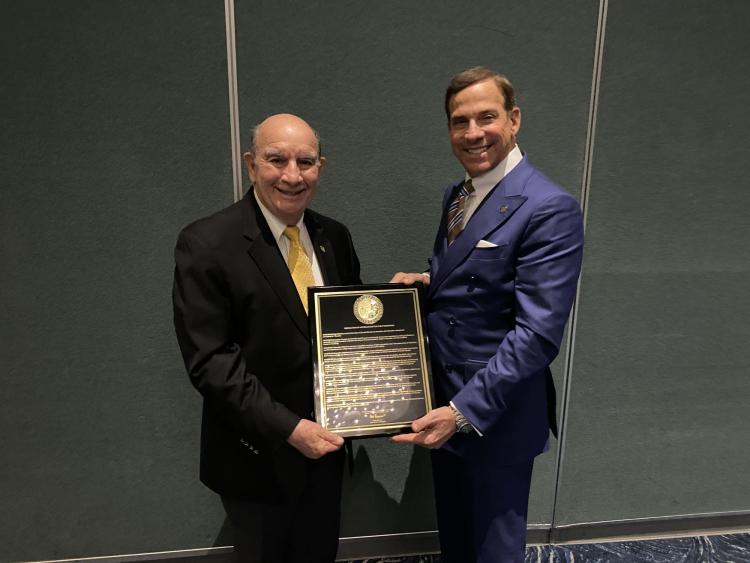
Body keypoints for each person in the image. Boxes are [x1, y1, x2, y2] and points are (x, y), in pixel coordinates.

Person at [391, 67, 584, 562]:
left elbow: (537, 334)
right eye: (460, 122)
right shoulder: (458, 196)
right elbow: (480, 280)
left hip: (491, 414)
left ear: (514, 119)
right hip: (443, 404)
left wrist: (461, 414)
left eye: (487, 117)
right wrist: (431, 282)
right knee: (457, 540)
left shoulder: (549, 207)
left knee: (494, 550)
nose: (473, 133)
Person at [172, 113, 361, 563]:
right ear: (251, 164)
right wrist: (290, 430)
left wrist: (397, 302)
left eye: (306, 162)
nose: (292, 175)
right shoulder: (206, 243)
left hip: (327, 455)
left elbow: (345, 334)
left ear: (321, 166)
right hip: (256, 462)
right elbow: (212, 362)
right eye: (277, 160)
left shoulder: (334, 237)